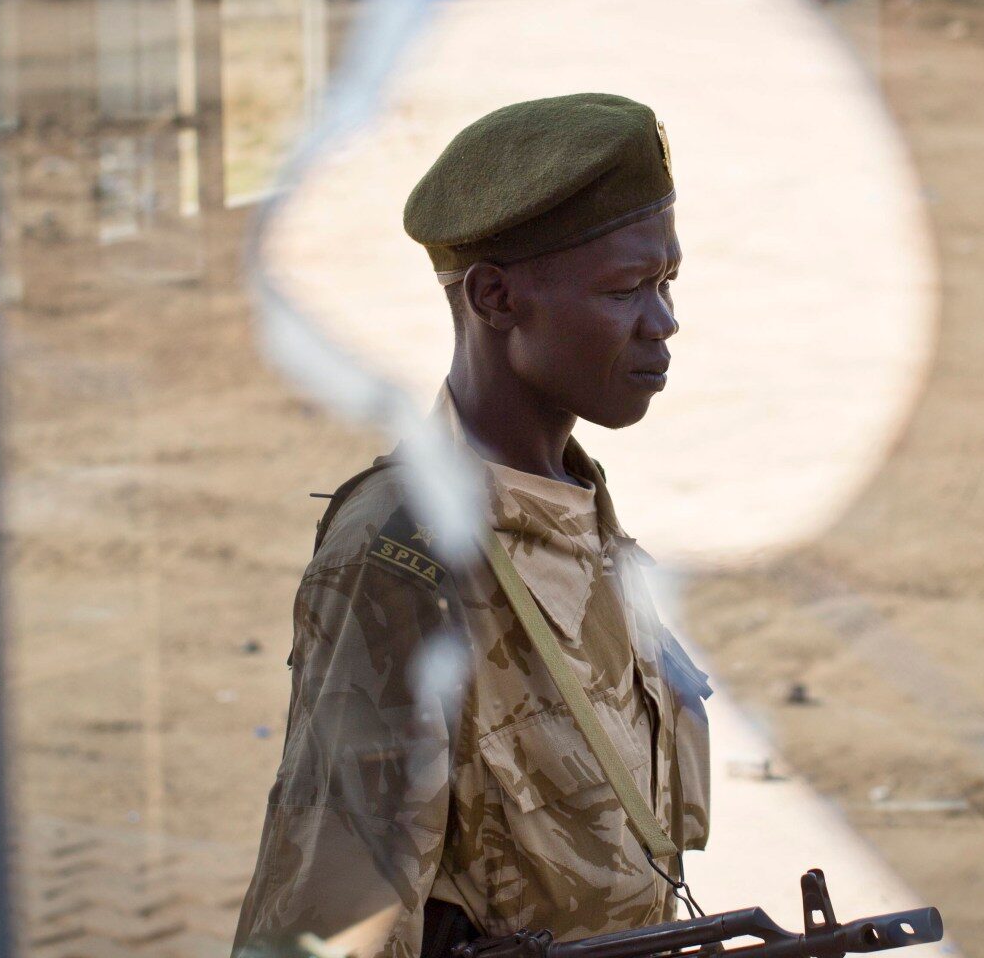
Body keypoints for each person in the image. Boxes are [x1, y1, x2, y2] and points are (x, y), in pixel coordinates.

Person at [232, 93, 713, 958]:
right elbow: (329, 917)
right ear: (495, 296)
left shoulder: (567, 500)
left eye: (667, 280)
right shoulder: (405, 558)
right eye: (625, 289)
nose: (664, 321)